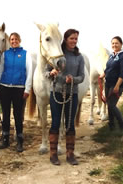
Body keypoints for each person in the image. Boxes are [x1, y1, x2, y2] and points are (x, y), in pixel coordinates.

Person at [45, 29, 84, 165]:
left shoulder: (79, 57)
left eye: (76, 39)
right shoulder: (55, 54)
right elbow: (46, 72)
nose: (74, 41)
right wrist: (51, 73)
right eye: (71, 38)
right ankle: (53, 154)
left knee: (70, 123)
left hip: (72, 93)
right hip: (56, 92)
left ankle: (70, 154)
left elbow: (82, 77)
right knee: (55, 122)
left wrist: (72, 79)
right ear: (65, 39)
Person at [0, 32, 33, 152]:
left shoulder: (26, 54)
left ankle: (19, 140)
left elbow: (30, 72)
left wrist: (27, 89)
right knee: (5, 115)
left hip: (19, 88)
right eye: (12, 39)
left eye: (16, 39)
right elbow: (0, 71)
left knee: (18, 115)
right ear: (9, 41)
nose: (14, 41)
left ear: (19, 40)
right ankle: (5, 138)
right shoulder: (5, 54)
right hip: (5, 87)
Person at [100, 36, 123, 131]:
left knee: (112, 105)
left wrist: (117, 86)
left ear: (121, 44)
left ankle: (122, 125)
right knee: (109, 104)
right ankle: (111, 125)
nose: (114, 45)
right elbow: (108, 68)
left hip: (117, 84)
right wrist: (103, 75)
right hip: (108, 83)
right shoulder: (112, 55)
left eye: (116, 43)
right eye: (113, 43)